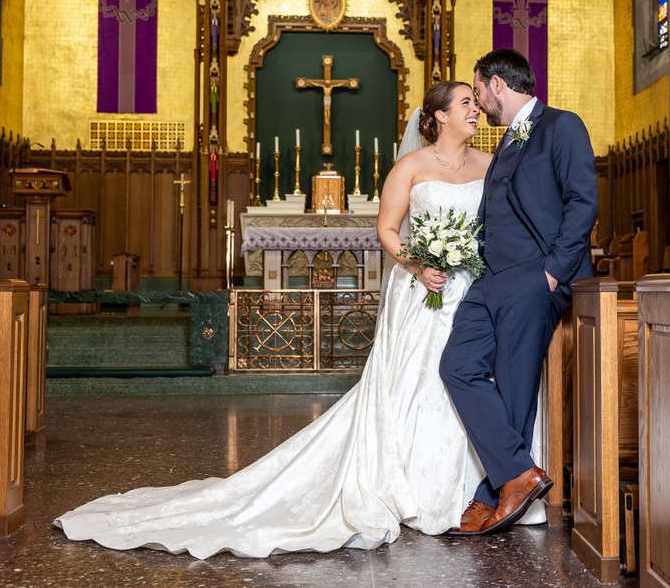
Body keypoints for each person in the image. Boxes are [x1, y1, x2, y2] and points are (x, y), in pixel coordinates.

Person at [54, 81, 545, 558]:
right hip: (423, 291)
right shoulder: (411, 166)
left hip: (476, 290)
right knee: (419, 384)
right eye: (466, 102)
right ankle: (418, 488)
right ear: (439, 115)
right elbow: (387, 229)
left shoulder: (491, 163)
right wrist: (420, 263)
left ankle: (480, 487)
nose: (476, 109)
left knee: (472, 379)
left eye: (475, 102)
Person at [440, 48, 598, 536]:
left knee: (512, 384)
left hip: (535, 279)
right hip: (491, 280)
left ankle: (492, 493)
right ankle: (518, 474)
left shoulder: (561, 125)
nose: (479, 102)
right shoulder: (511, 138)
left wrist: (551, 273)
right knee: (457, 365)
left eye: (480, 90)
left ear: (498, 85)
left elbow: (582, 202)